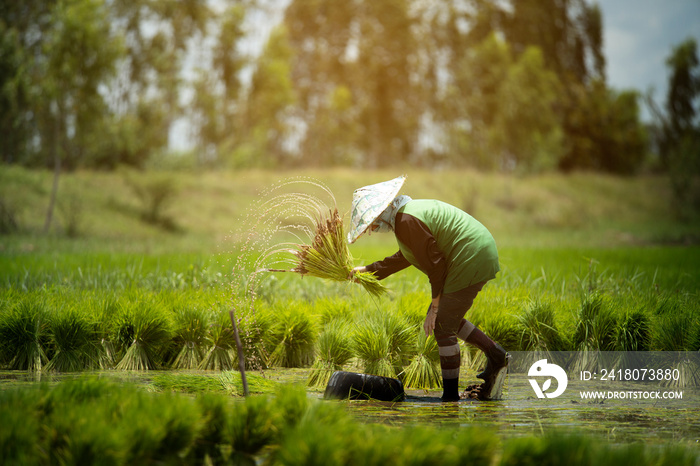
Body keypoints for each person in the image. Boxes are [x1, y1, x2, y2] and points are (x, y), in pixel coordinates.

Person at [348, 175, 508, 401]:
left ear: (384, 209)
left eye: (373, 221)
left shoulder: (406, 221)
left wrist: (433, 308)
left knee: (442, 326)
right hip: (474, 252)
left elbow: (436, 265)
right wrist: (367, 270)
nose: (373, 228)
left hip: (470, 255)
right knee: (447, 318)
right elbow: (405, 257)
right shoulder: (406, 216)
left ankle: (450, 397)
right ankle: (496, 354)